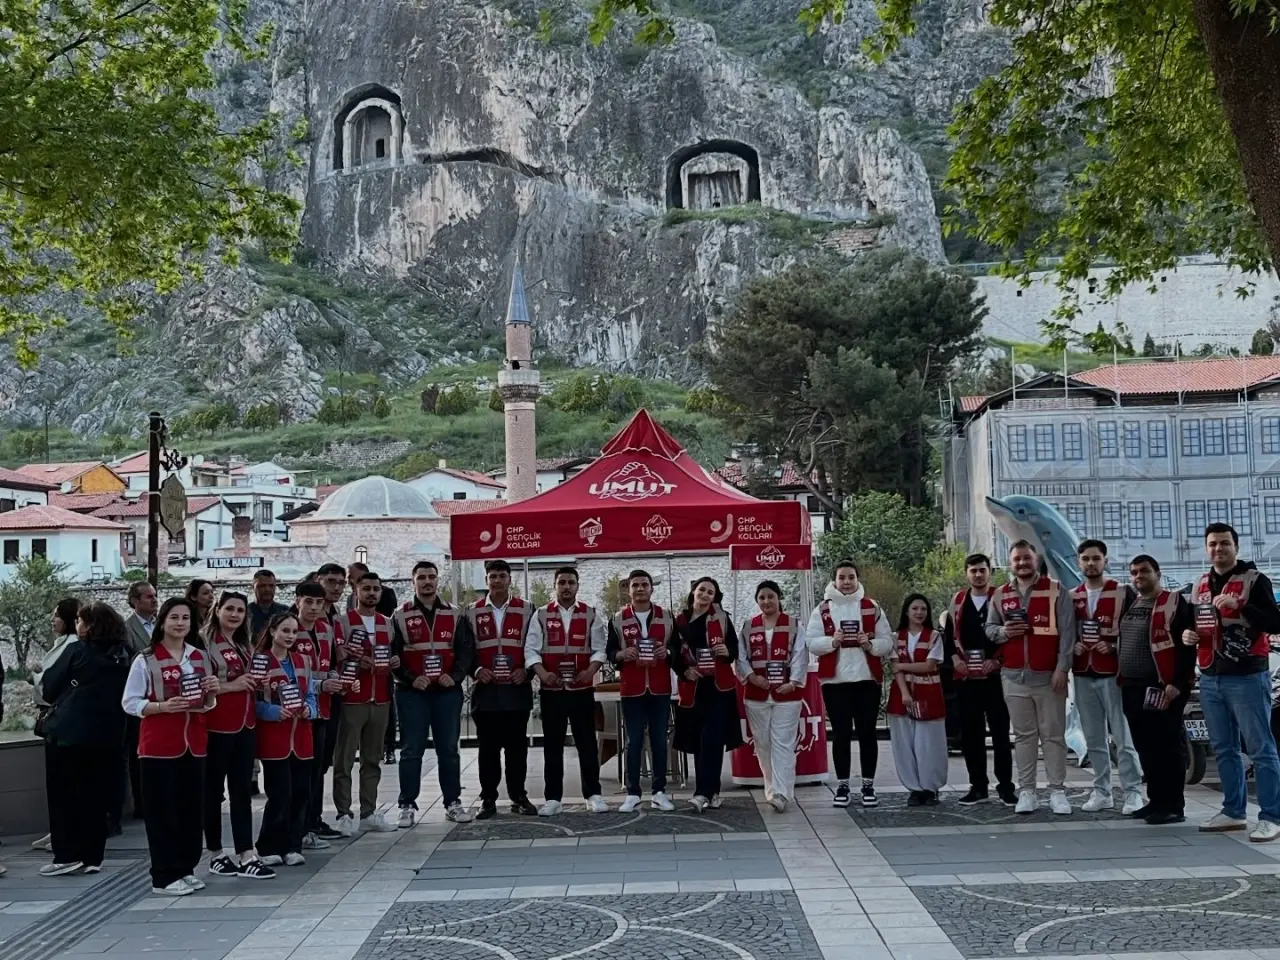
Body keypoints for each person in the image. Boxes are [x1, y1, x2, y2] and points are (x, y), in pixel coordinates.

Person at [1184, 523, 1280, 842]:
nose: (1218, 549)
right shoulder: (1200, 584)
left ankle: (1271, 816)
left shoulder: (1255, 580)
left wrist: (1239, 606)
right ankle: (1233, 811)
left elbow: (1274, 621)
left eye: (1224, 543)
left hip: (1248, 676)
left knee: (1260, 747)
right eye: (1212, 544)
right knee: (1224, 748)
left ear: (1236, 547)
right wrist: (1188, 635)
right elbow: (1193, 622)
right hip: (1210, 675)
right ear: (1206, 548)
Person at [122, 597, 218, 896]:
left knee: (191, 810)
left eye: (185, 618)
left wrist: (212, 695)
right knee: (162, 812)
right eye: (174, 617)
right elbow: (130, 702)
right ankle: (163, 875)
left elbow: (206, 704)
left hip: (194, 744)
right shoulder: (146, 659)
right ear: (163, 621)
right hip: (159, 745)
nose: (180, 623)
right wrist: (162, 706)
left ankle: (185, 867)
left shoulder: (200, 657)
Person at [38, 602, 130, 877]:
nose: (77, 625)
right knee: (96, 797)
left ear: (89, 625)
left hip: (68, 735)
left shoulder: (76, 650)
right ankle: (92, 857)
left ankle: (66, 855)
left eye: (80, 620)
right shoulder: (126, 656)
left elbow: (50, 686)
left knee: (63, 795)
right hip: (108, 736)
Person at [986, 539, 1076, 815]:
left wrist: (1063, 668)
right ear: (1010, 563)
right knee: (1024, 736)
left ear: (1036, 560)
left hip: (1049, 677)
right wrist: (1004, 633)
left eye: (1027, 558)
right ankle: (1027, 791)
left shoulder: (1056, 591)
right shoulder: (1001, 594)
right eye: (1017, 559)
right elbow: (989, 628)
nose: (1022, 563)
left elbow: (1068, 632)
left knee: (1053, 735)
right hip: (1013, 677)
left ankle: (1057, 791)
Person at [391, 561, 474, 826]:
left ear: (438, 581)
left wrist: (457, 675)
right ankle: (406, 805)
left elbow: (466, 650)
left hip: (446, 692)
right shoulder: (400, 615)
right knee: (411, 749)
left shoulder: (455, 613)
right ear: (413, 581)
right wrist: (410, 679)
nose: (427, 582)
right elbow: (393, 655)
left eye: (432, 577)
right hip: (412, 692)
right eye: (422, 577)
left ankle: (453, 802)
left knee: (448, 750)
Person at [806, 559, 893, 808]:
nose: (846, 582)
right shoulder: (822, 609)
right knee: (841, 735)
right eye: (842, 577)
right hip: (835, 681)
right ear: (834, 580)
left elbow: (887, 641)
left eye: (851, 577)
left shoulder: (871, 607)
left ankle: (868, 785)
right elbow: (811, 642)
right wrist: (831, 642)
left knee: (867, 734)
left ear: (858, 579)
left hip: (867, 679)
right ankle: (843, 785)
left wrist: (870, 644)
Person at [200, 592, 273, 879]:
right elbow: (200, 684)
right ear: (217, 610)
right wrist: (234, 685)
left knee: (242, 791)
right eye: (229, 608)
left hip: (245, 724)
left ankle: (246, 851)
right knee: (213, 791)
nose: (234, 614)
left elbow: (248, 680)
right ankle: (216, 852)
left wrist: (258, 682)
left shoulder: (244, 644)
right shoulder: (204, 643)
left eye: (240, 610)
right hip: (216, 725)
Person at [526, 567, 609, 815]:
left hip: (582, 688)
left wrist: (590, 671)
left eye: (570, 582)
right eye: (561, 582)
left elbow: (600, 649)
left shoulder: (590, 614)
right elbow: (531, 650)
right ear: (555, 585)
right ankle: (553, 798)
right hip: (552, 690)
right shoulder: (541, 614)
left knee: (586, 743)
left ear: (577, 585)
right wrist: (542, 674)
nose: (566, 586)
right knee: (553, 745)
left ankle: (593, 794)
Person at [1120, 555, 1197, 825]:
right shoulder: (1132, 602)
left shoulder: (1175, 603)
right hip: (1132, 686)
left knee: (1167, 746)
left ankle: (1173, 805)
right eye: (1134, 572)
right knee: (1146, 746)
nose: (1139, 576)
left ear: (1157, 573)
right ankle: (1155, 800)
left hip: (1163, 686)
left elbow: (1188, 647)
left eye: (1144, 571)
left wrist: (1177, 683)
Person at [1071, 539, 1144, 815]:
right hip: (1081, 673)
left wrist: (1114, 647)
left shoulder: (1122, 592)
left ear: (1105, 561)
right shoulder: (1072, 596)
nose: (1091, 563)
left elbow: (1136, 630)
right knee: (1093, 738)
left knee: (1123, 736)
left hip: (1113, 674)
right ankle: (1102, 790)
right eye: (1086, 559)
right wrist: (1071, 647)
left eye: (1095, 558)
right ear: (1079, 562)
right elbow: (1065, 632)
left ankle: (1133, 790)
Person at [465, 559, 536, 818]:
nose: (497, 580)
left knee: (517, 748)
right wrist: (475, 670)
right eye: (492, 576)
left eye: (502, 576)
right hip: (486, 691)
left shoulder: (528, 609)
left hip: (517, 690)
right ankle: (488, 799)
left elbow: (535, 645)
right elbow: (465, 650)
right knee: (488, 749)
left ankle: (518, 796)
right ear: (486, 580)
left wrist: (527, 671)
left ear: (509, 579)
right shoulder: (471, 611)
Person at [942, 554, 1015, 806]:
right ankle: (978, 787)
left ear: (989, 572)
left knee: (1001, 735)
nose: (978, 575)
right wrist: (956, 661)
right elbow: (949, 636)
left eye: (982, 570)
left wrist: (998, 661)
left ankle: (1006, 787)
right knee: (970, 736)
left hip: (995, 677)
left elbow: (1012, 636)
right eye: (973, 570)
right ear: (966, 573)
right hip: (967, 678)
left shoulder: (1002, 598)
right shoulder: (958, 601)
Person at [332, 571, 398, 835]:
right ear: (356, 590)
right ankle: (343, 813)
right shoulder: (343, 621)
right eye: (367, 588)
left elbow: (393, 654)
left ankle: (368, 811)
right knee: (344, 759)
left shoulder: (387, 622)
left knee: (373, 759)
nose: (372, 593)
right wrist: (356, 661)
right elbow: (336, 656)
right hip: (352, 697)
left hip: (381, 697)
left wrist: (395, 662)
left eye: (376, 589)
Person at [606, 569, 677, 813]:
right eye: (635, 585)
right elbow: (610, 652)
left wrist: (667, 653)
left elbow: (677, 649)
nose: (639, 589)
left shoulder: (667, 617)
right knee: (633, 741)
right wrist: (621, 655)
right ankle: (633, 792)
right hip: (632, 688)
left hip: (659, 688)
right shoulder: (617, 619)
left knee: (659, 740)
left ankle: (659, 792)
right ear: (628, 589)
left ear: (651, 588)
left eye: (644, 584)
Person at [255, 613, 319, 867]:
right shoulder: (260, 661)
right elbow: (254, 699)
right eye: (285, 630)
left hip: (302, 736)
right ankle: (269, 845)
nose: (290, 636)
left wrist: (309, 710)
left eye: (294, 631)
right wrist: (271, 712)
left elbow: (311, 693)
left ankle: (293, 844)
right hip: (275, 736)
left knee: (302, 792)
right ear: (272, 631)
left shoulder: (303, 661)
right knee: (280, 793)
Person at [673, 577, 743, 813]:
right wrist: (684, 670)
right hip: (692, 687)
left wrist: (727, 651)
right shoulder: (678, 621)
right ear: (693, 591)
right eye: (701, 590)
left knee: (713, 740)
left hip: (718, 687)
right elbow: (673, 655)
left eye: (710, 592)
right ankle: (712, 793)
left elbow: (734, 649)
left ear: (715, 597)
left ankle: (702, 793)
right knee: (698, 742)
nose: (704, 594)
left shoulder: (722, 618)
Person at [738, 580, 807, 813]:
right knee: (763, 743)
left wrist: (793, 682)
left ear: (779, 598)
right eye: (762, 598)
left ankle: (782, 793)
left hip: (787, 694)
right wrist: (750, 676)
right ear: (757, 601)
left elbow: (800, 655)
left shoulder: (794, 624)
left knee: (783, 743)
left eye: (771, 596)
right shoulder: (749, 626)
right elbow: (740, 657)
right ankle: (771, 788)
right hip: (756, 694)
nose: (766, 601)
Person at [292, 581, 344, 847]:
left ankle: (313, 821)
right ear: (297, 600)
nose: (314, 608)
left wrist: (334, 678)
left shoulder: (325, 629)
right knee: (300, 770)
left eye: (319, 603)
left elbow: (332, 663)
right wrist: (320, 684)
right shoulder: (289, 629)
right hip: (298, 711)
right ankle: (298, 827)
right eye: (309, 602)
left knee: (318, 767)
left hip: (324, 709)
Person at [887, 594, 948, 806]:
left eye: (923, 609)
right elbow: (894, 668)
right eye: (915, 609)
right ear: (907, 611)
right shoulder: (896, 637)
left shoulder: (934, 637)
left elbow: (929, 666)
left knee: (928, 743)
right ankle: (913, 788)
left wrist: (903, 666)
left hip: (928, 693)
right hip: (902, 695)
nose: (919, 613)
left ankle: (930, 787)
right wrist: (904, 692)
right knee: (905, 743)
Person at [32, 597, 80, 854]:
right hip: (59, 719)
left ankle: (64, 836)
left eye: (57, 616)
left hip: (61, 722)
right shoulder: (63, 645)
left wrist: (37, 674)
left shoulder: (71, 646)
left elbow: (50, 684)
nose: (53, 620)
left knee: (62, 782)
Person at [121, 581, 158, 822]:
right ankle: (143, 804)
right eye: (148, 597)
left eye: (155, 596)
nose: (154, 600)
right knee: (139, 755)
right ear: (135, 601)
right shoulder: (127, 629)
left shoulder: (162, 625)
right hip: (142, 700)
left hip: (166, 698)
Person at [248, 570, 289, 637]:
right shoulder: (245, 612)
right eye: (262, 586)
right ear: (253, 587)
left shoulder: (285, 611)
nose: (267, 589)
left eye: (271, 586)